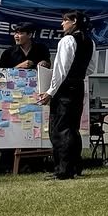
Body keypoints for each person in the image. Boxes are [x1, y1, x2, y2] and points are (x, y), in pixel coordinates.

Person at [38, 9, 93, 180]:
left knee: (60, 128)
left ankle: (63, 169)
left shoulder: (68, 40)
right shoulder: (90, 41)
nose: (62, 24)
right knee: (73, 128)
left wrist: (50, 92)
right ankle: (75, 166)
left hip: (65, 87)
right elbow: (91, 68)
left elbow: (61, 70)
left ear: (74, 21)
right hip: (78, 85)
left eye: (64, 20)